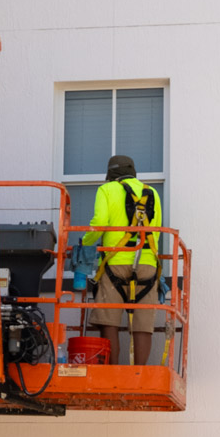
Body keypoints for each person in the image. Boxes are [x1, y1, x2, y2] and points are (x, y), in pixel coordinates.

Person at [81, 155, 163, 365]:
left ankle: (112, 371)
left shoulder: (106, 190)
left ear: (110, 174)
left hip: (115, 263)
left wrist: (85, 242)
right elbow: (156, 230)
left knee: (109, 321)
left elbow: (99, 222)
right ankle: (139, 373)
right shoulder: (152, 192)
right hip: (147, 264)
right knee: (143, 324)